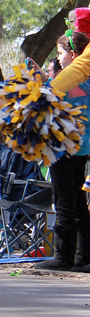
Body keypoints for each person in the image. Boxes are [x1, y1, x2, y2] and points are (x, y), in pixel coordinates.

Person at [35, 33, 90, 271]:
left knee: (63, 199)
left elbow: (45, 100)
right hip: (82, 147)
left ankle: (63, 257)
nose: (58, 58)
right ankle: (83, 257)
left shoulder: (67, 81)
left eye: (60, 53)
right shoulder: (87, 81)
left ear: (74, 55)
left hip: (61, 146)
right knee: (78, 200)